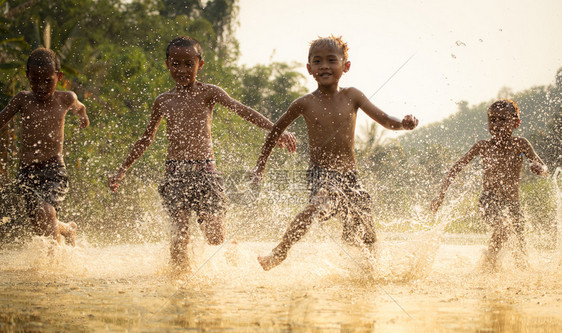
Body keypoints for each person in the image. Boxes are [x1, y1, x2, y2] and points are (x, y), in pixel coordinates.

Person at [107, 36, 296, 270]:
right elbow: (147, 138)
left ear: (200, 64)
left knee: (215, 237)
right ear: (167, 64)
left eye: (189, 64)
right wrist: (123, 169)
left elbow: (242, 110)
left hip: (206, 174)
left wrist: (276, 130)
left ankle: (231, 247)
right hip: (175, 175)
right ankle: (180, 289)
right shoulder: (164, 101)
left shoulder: (209, 93)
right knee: (179, 237)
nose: (182, 70)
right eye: (176, 64)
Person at [251, 35, 418, 270]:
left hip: (351, 176)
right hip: (321, 174)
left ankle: (372, 271)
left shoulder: (353, 96)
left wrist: (402, 123)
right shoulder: (304, 103)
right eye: (318, 62)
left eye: (331, 60)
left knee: (365, 232)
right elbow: (275, 131)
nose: (325, 66)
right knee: (317, 204)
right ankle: (280, 252)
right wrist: (261, 165)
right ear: (310, 69)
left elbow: (384, 120)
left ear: (345, 66)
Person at [431, 99, 549, 271]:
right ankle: (488, 266)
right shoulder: (483, 146)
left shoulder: (520, 144)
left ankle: (496, 271)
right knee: (503, 226)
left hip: (513, 205)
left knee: (521, 252)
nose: (497, 124)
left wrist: (540, 168)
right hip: (489, 200)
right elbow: (457, 166)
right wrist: (440, 195)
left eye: (503, 119)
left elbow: (544, 167)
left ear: (516, 123)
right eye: (492, 120)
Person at [0, 47, 89, 246]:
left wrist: (83, 117)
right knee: (41, 224)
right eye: (34, 80)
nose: (40, 86)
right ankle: (67, 229)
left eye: (47, 80)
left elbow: (80, 107)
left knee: (46, 212)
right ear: (27, 76)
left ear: (59, 76)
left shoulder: (65, 98)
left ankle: (53, 266)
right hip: (26, 171)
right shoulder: (22, 99)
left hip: (54, 169)